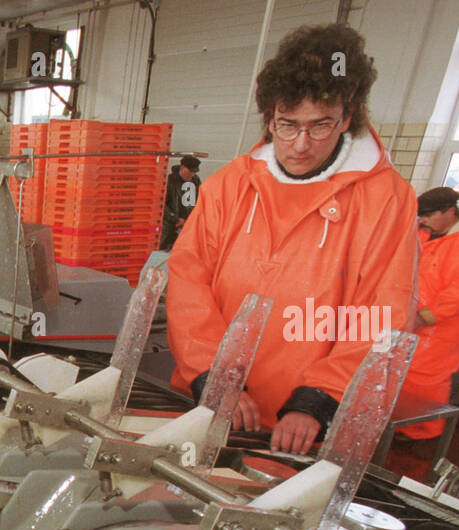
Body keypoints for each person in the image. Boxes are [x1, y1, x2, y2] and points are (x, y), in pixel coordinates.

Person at [166, 24, 419, 455]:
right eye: (287, 125)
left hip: (303, 431)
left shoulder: (387, 200)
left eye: (320, 126)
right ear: (270, 118)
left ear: (347, 115)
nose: (301, 145)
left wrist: (317, 401)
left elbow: (384, 313)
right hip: (210, 403)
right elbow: (189, 281)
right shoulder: (230, 186)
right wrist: (215, 375)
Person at [399, 186, 459, 439]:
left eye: (429, 215)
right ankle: (403, 425)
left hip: (443, 328)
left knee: (426, 378)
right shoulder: (429, 233)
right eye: (420, 215)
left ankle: (423, 433)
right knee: (405, 373)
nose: (423, 220)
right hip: (414, 319)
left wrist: (424, 317)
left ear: (450, 212)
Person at [161, 155, 202, 251]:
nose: (192, 174)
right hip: (168, 225)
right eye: (190, 171)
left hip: (184, 225)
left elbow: (194, 203)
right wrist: (175, 219)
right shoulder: (168, 181)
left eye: (194, 172)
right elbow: (161, 204)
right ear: (182, 167)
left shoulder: (194, 181)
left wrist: (187, 219)